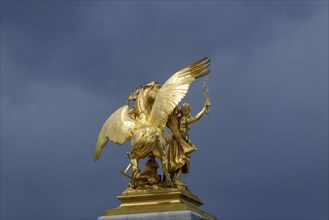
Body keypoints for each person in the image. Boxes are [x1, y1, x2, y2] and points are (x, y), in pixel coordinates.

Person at [167, 98, 211, 187]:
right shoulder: (181, 119)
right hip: (177, 142)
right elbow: (196, 118)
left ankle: (175, 179)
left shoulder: (183, 119)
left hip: (182, 141)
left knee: (179, 160)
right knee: (177, 160)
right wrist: (204, 108)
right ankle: (173, 180)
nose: (185, 111)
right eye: (184, 110)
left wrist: (204, 108)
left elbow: (195, 118)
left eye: (187, 110)